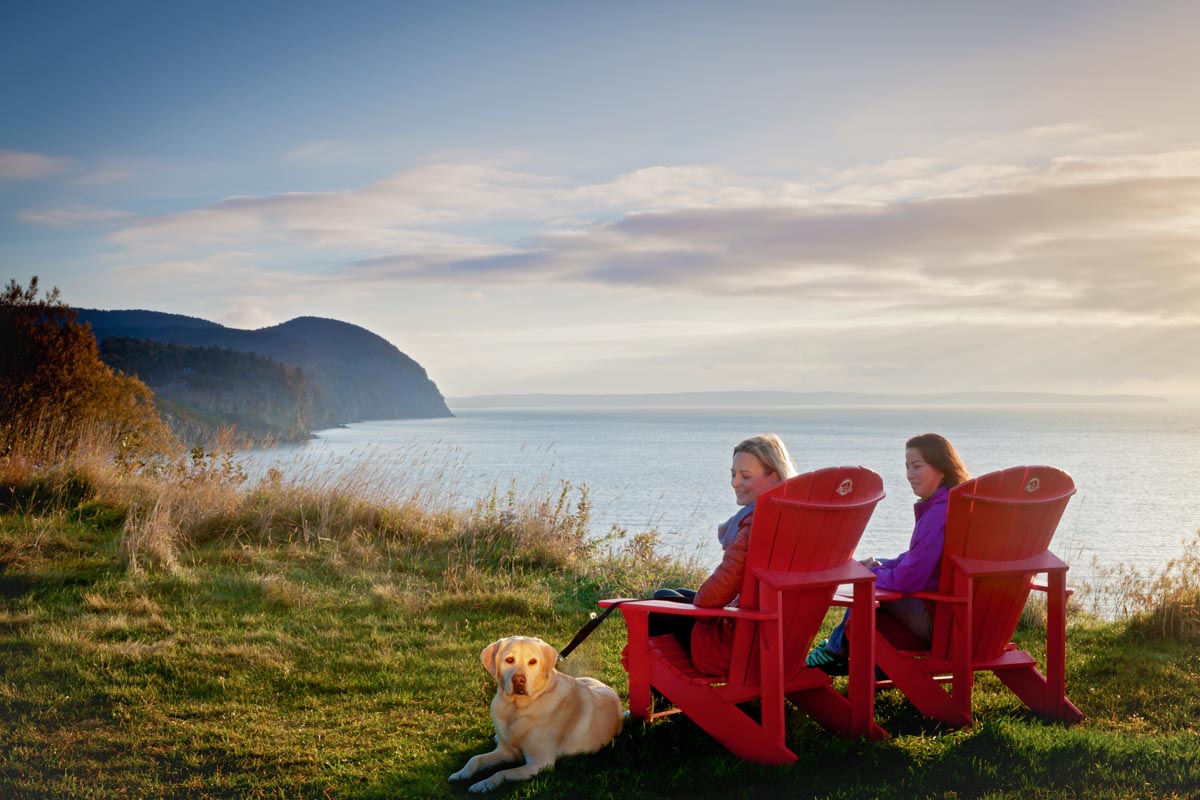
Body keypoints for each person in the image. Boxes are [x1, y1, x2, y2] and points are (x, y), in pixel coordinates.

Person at [805, 432, 970, 675]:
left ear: (942, 468)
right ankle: (868, 660)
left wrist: (871, 574)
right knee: (876, 570)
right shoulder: (955, 505)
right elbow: (921, 558)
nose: (909, 475)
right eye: (907, 467)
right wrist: (881, 565)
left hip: (942, 623)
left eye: (917, 466)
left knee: (867, 587)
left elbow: (909, 578)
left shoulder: (937, 515)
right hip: (963, 616)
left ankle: (836, 652)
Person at [649, 433, 797, 676]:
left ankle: (661, 698)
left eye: (745, 476)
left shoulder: (757, 523)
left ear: (774, 476)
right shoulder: (800, 518)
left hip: (742, 644)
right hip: (780, 637)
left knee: (658, 605)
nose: (735, 482)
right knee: (671, 596)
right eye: (733, 474)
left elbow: (713, 596)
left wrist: (705, 611)